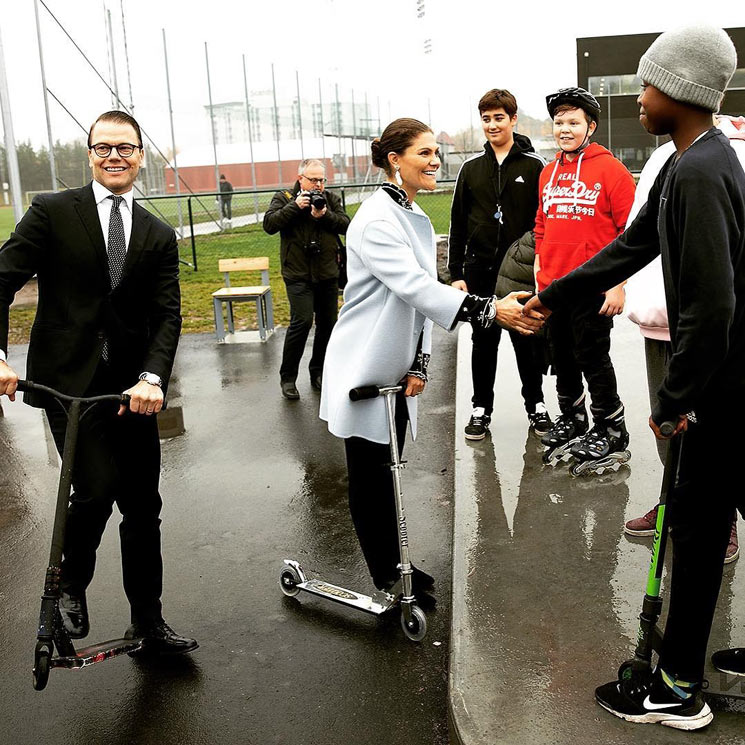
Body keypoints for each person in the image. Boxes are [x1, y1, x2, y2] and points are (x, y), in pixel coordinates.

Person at [525, 26, 743, 729]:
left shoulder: (705, 172)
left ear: (677, 90)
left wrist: (674, 398)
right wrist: (551, 295)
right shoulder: (685, 164)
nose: (638, 98)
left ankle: (677, 688)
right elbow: (632, 244)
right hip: (722, 382)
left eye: (645, 85)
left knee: (702, 524)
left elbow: (712, 305)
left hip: (722, 387)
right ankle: (679, 674)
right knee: (702, 524)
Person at [0, 110, 197, 655]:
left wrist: (153, 376)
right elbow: (1, 280)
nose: (115, 156)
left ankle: (148, 622)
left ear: (140, 156)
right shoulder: (53, 212)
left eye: (126, 148)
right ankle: (70, 586)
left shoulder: (157, 233)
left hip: (132, 390)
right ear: (89, 155)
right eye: (104, 147)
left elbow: (168, 314)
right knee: (96, 487)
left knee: (142, 504)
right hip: (67, 384)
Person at [320, 118, 543, 596]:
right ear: (394, 161)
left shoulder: (408, 211)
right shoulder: (378, 218)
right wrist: (487, 309)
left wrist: (419, 364)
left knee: (389, 466)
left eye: (435, 153)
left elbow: (416, 305)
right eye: (424, 153)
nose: (435, 161)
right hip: (364, 360)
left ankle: (395, 567)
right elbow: (416, 288)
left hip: (395, 363)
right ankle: (388, 572)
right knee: (372, 473)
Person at [623, 115, 745, 563]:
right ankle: (673, 501)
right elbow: (638, 236)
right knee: (668, 423)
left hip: (716, 328)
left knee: (714, 435)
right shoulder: (664, 156)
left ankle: (720, 517)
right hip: (660, 318)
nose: (639, 97)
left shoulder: (722, 158)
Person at [534, 87, 636, 473]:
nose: (564, 129)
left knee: (592, 356)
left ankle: (611, 429)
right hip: (555, 286)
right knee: (561, 357)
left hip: (593, 284)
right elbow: (541, 226)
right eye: (559, 122)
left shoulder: (611, 170)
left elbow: (632, 234)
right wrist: (540, 273)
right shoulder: (548, 172)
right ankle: (574, 419)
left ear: (590, 126)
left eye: (573, 122)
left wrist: (618, 283)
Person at [448, 89, 550, 441]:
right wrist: (456, 274)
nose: (492, 125)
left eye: (498, 118)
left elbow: (544, 223)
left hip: (520, 272)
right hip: (479, 271)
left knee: (526, 340)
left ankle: (536, 405)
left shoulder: (535, 166)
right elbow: (457, 223)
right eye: (486, 119)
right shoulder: (471, 169)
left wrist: (541, 268)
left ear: (513, 119)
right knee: (483, 340)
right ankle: (481, 409)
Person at [263, 159, 349, 400]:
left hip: (327, 274)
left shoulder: (330, 200)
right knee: (301, 322)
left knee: (327, 325)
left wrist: (323, 215)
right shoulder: (284, 197)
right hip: (298, 274)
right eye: (313, 180)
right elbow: (269, 225)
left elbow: (346, 225)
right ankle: (288, 378)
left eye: (322, 180)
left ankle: (319, 372)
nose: (318, 185)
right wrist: (295, 207)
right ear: (301, 178)